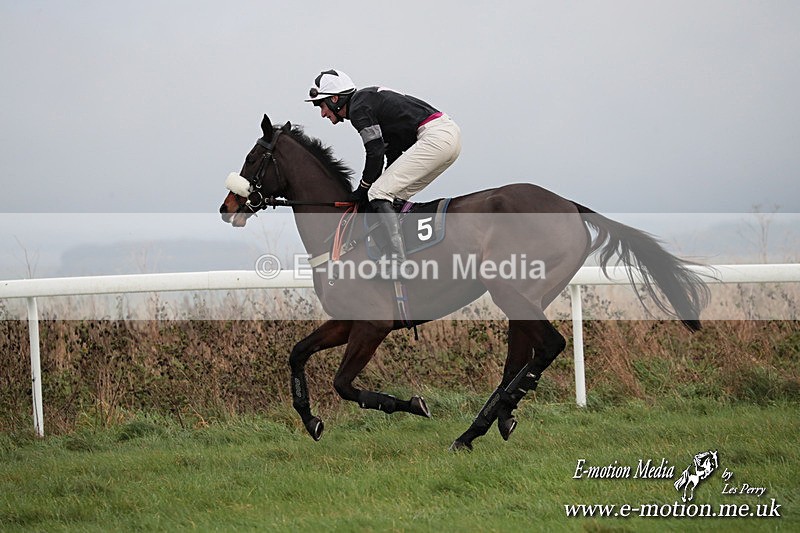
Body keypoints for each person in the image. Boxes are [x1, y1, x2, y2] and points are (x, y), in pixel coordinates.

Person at [306, 69, 461, 272]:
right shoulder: (366, 102)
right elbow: (392, 154)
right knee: (387, 196)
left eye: (322, 105)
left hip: (435, 137)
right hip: (446, 137)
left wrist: (363, 188)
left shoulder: (358, 108)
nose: (322, 113)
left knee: (378, 193)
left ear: (335, 99)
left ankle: (397, 261)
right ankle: (410, 249)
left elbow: (375, 152)